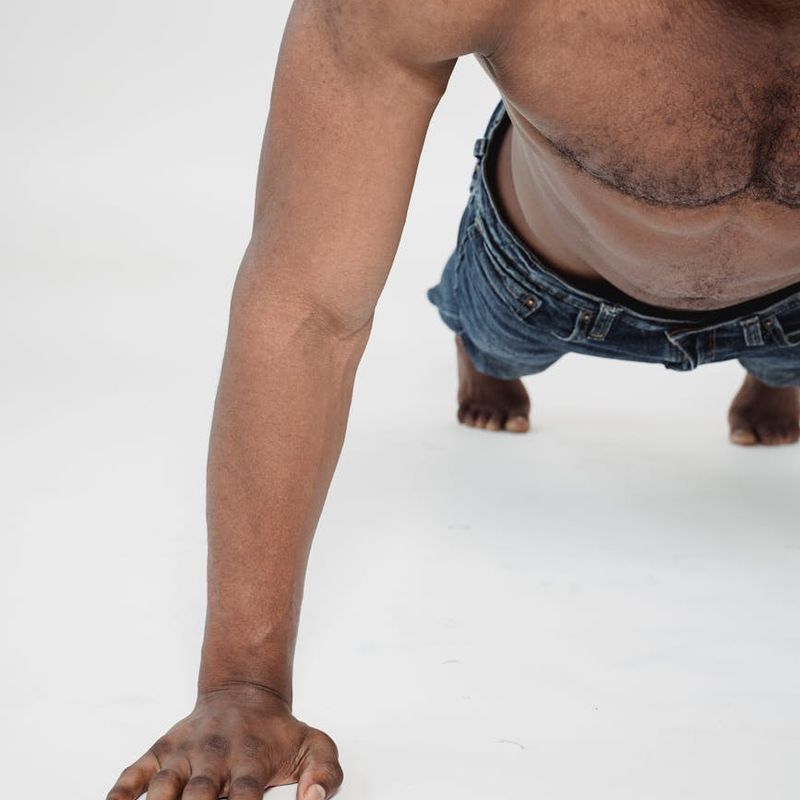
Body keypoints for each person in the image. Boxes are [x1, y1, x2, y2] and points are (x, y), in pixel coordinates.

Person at [106, 1, 800, 797]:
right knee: (500, 347)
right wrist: (243, 686)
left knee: (785, 370)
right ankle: (481, 355)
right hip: (542, 283)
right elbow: (311, 310)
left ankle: (773, 370)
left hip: (793, 303)